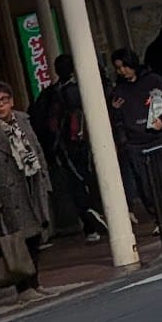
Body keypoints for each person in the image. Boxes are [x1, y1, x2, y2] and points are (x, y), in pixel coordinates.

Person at [0, 83, 52, 300]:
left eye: (3, 101)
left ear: (11, 101)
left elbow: (37, 149)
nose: (0, 106)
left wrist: (45, 180)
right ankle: (23, 288)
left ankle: (35, 282)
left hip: (31, 183)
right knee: (16, 241)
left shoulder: (23, 120)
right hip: (8, 193)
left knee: (35, 236)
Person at [32, 56, 107, 241]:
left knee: (75, 185)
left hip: (63, 148)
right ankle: (101, 213)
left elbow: (38, 120)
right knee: (95, 179)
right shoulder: (83, 88)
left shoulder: (50, 93)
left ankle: (90, 224)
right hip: (87, 143)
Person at [108, 48, 162, 219]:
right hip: (135, 141)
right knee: (145, 185)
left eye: (125, 66)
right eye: (118, 68)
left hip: (158, 136)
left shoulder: (153, 80)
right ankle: (159, 218)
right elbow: (116, 119)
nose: (123, 71)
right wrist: (115, 112)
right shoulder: (119, 90)